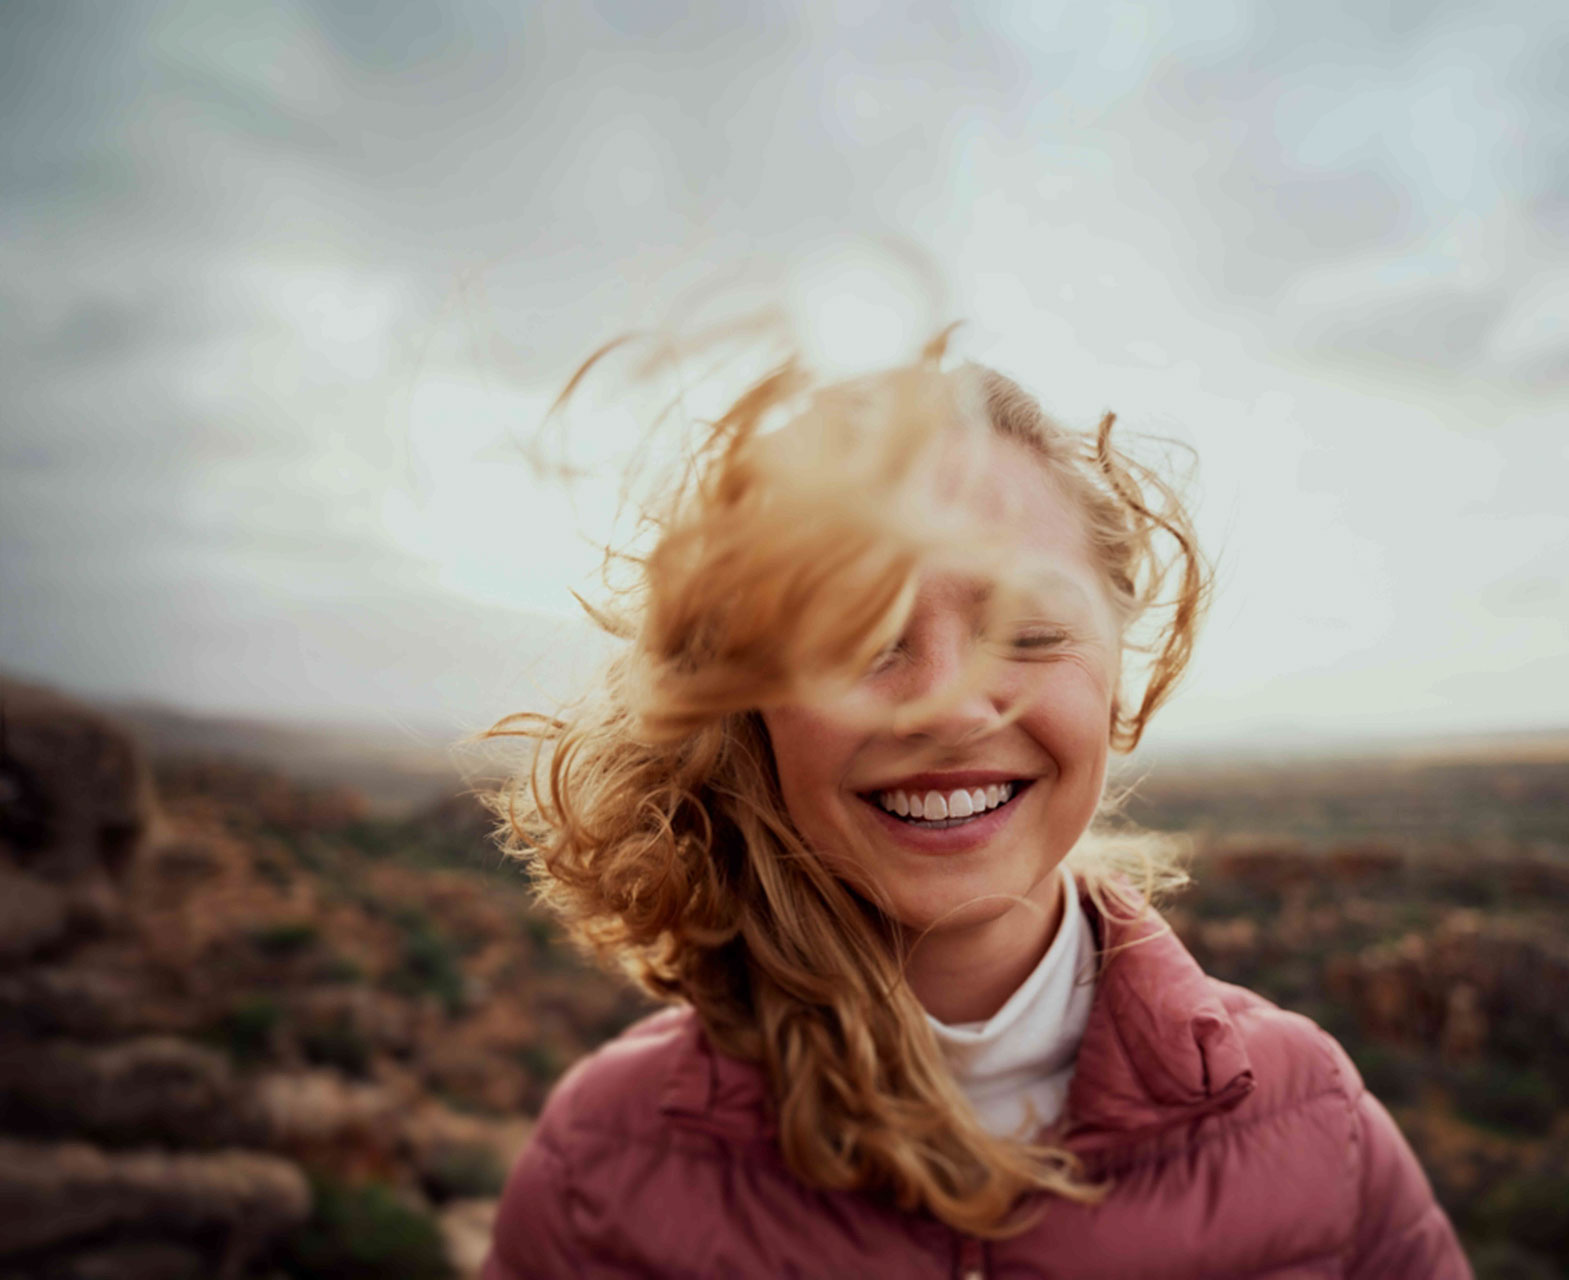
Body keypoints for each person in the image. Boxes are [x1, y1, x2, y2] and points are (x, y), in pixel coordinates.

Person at [479, 331, 1471, 1278]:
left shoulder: (1315, 1127)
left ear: (1117, 676)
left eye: (1031, 629)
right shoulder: (600, 1165)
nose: (950, 704)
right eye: (856, 635)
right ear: (746, 701)